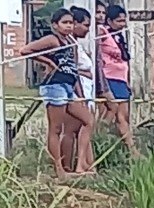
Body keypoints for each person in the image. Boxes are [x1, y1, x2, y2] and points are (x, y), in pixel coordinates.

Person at [19, 8, 94, 179]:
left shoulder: (71, 42)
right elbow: (25, 51)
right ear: (55, 25)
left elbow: (74, 70)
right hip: (54, 86)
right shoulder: (52, 40)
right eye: (64, 23)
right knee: (56, 129)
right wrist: (48, 62)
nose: (68, 26)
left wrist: (80, 95)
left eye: (71, 23)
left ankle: (81, 165)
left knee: (88, 120)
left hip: (69, 86)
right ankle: (59, 169)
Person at [62, 6, 100, 174]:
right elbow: (70, 69)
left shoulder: (75, 43)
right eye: (85, 25)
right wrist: (82, 95)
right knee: (72, 129)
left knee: (83, 128)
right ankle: (70, 167)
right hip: (77, 92)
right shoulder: (69, 44)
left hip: (85, 91)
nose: (87, 29)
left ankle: (87, 165)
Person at [99, 4, 138, 157]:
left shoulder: (120, 36)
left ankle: (123, 147)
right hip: (109, 78)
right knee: (112, 114)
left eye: (124, 21)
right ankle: (130, 149)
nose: (123, 24)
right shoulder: (103, 33)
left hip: (121, 80)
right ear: (109, 20)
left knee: (124, 116)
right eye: (119, 21)